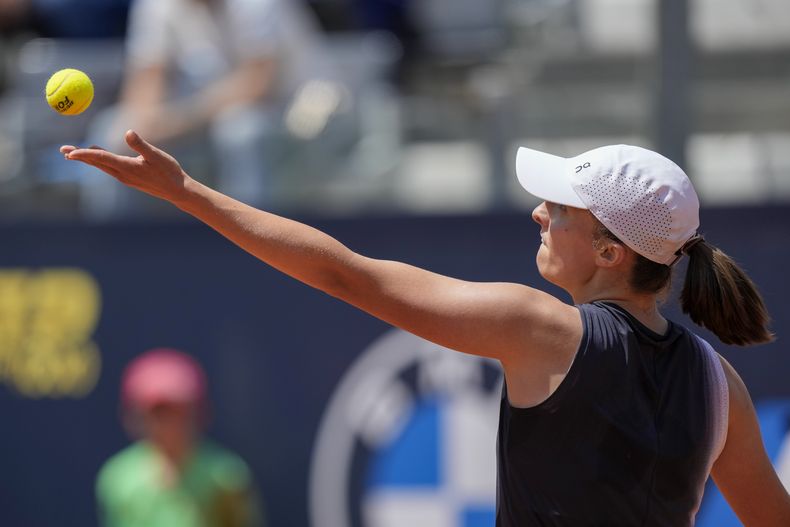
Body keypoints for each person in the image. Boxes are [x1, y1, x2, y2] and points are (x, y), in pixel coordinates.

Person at [65, 131, 790, 526]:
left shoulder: (543, 328)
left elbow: (348, 275)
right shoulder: (715, 379)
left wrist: (188, 192)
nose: (541, 211)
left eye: (560, 209)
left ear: (610, 252)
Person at [79, 0, 326, 218]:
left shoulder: (259, 4)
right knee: (112, 131)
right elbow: (147, 77)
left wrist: (178, 121)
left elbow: (257, 81)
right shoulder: (157, 5)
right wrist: (140, 128)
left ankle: (254, 249)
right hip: (203, 122)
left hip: (299, 119)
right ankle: (114, 249)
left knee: (241, 130)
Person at [96, 347, 263, 527]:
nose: (168, 423)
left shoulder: (227, 477)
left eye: (178, 411)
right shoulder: (117, 479)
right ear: (134, 416)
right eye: (157, 412)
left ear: (198, 412)